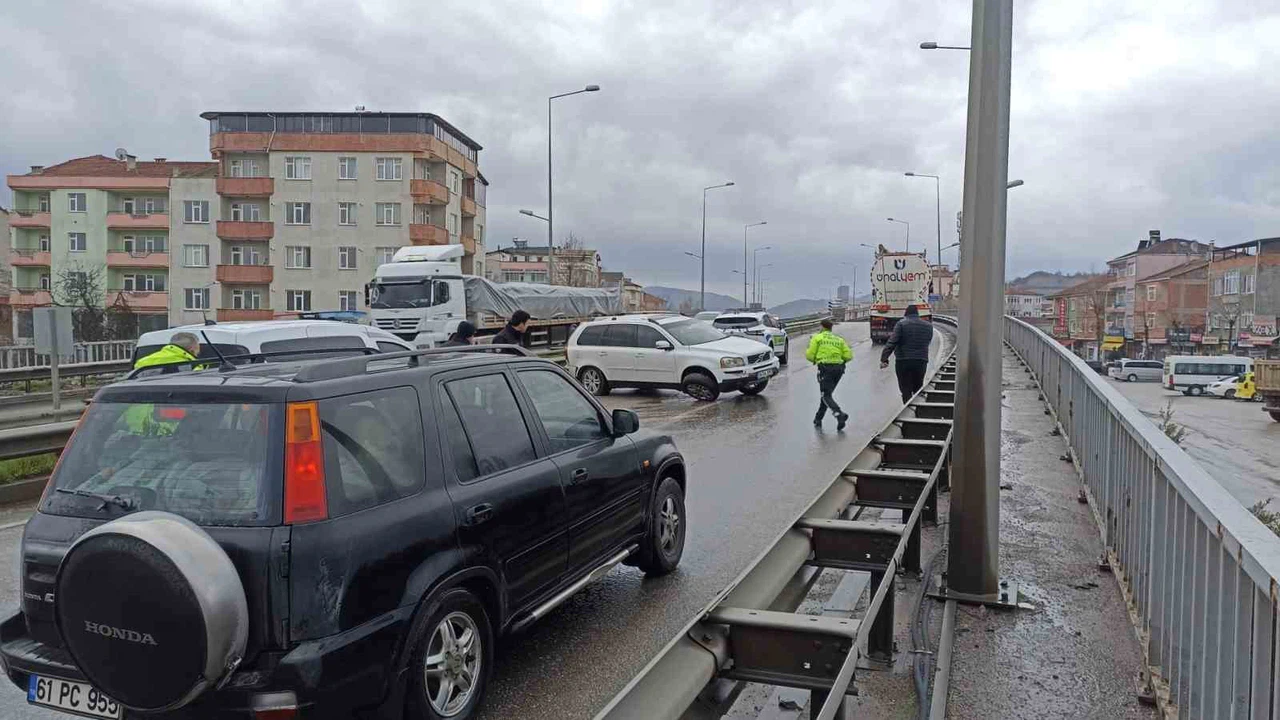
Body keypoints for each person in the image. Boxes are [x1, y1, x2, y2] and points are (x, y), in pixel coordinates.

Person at [127, 332, 203, 435]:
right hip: (169, 426)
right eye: (198, 350)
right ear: (192, 349)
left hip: (136, 420)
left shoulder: (143, 361)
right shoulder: (193, 366)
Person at [806, 318, 853, 430]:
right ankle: (818, 418)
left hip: (825, 368)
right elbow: (848, 356)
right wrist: (839, 361)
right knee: (827, 395)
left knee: (825, 395)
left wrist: (816, 360)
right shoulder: (839, 339)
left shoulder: (817, 338)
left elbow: (810, 355)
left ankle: (839, 414)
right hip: (839, 369)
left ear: (822, 327)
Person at [880, 305, 934, 402]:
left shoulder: (901, 324)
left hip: (903, 361)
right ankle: (918, 407)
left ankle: (907, 406)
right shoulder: (928, 326)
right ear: (917, 313)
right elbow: (928, 341)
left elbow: (892, 342)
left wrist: (884, 358)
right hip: (921, 361)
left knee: (905, 389)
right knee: (918, 388)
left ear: (906, 313)